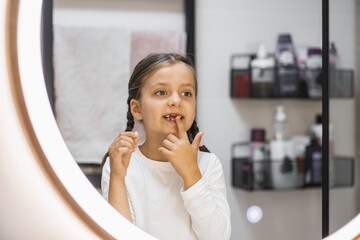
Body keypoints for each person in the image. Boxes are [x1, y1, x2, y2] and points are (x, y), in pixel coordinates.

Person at [101, 53, 231, 240]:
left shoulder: (209, 165)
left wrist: (191, 174)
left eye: (187, 93)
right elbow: (117, 235)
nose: (176, 101)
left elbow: (218, 237)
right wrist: (117, 177)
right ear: (136, 108)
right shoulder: (122, 166)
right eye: (161, 92)